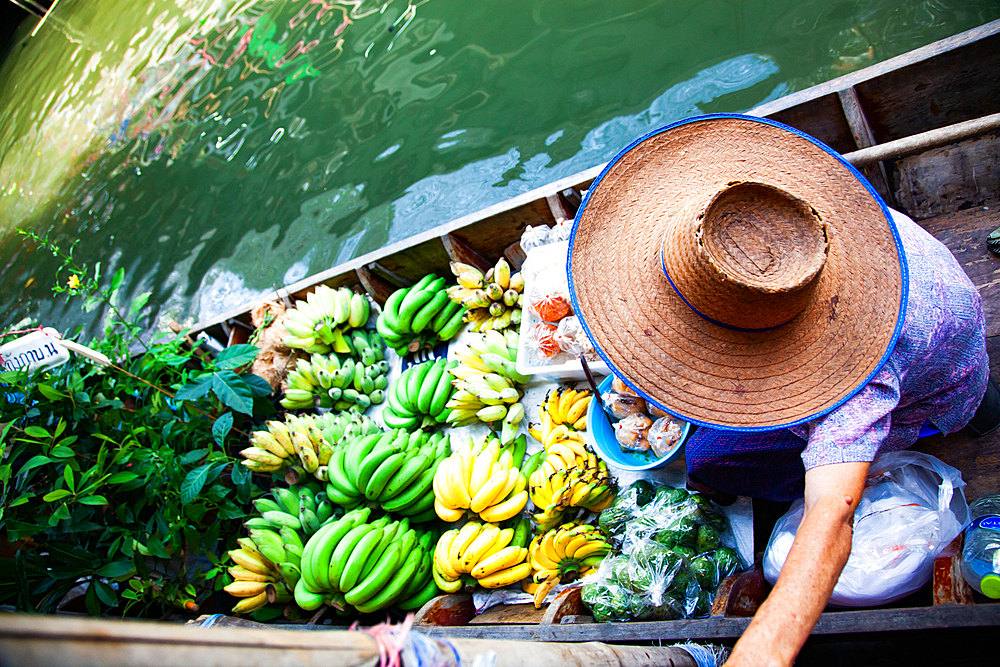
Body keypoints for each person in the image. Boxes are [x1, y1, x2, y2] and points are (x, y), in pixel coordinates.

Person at [567, 114, 993, 667]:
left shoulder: (854, 383)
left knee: (714, 460)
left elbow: (829, 516)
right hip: (929, 293)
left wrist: (765, 648)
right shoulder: (788, 222)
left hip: (939, 381)